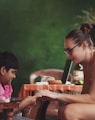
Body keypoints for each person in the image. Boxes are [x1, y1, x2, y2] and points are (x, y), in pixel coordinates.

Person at [35, 23, 95, 120]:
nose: (67, 55)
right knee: (63, 110)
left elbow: (92, 98)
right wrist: (56, 97)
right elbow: (85, 95)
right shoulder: (86, 63)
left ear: (84, 45)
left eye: (70, 50)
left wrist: (57, 95)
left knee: (69, 111)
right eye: (66, 51)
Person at [0, 51, 35, 120]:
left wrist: (25, 108)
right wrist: (24, 103)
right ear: (3, 70)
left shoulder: (7, 86)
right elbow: (5, 113)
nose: (14, 76)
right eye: (13, 72)